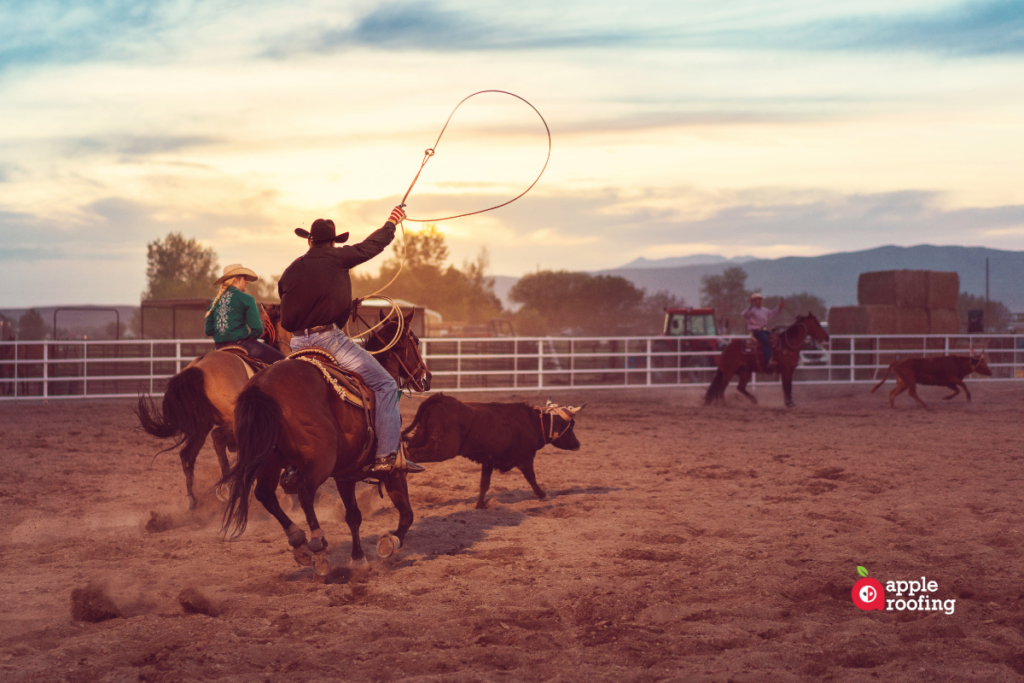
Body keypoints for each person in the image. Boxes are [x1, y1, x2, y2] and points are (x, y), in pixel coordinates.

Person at [277, 206, 423, 474]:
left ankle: (288, 462)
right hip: (330, 341)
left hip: (297, 345)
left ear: (309, 241)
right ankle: (386, 456)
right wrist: (392, 222)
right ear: (333, 241)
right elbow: (372, 246)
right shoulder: (337, 258)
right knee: (386, 385)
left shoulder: (290, 270)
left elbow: (287, 313)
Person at [205, 264, 286, 364]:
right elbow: (257, 329)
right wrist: (250, 338)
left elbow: (208, 331)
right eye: (244, 278)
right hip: (243, 346)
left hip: (219, 347)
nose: (246, 281)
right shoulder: (247, 299)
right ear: (236, 280)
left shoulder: (214, 302)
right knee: (283, 361)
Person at [742, 293, 784, 371]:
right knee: (766, 341)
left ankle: (775, 357)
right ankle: (768, 361)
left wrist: (779, 307)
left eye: (760, 299)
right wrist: (750, 306)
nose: (759, 301)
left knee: (775, 339)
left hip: (764, 331)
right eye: (758, 300)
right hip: (757, 332)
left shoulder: (764, 310)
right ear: (754, 301)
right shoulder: (750, 311)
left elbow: (772, 313)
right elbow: (744, 315)